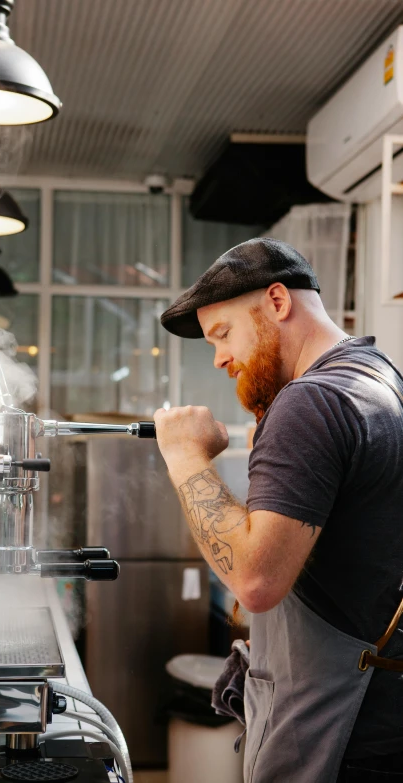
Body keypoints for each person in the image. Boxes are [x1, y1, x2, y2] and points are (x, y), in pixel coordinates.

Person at [154, 238, 403, 783]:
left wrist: (184, 455)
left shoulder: (310, 402)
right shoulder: (381, 379)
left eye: (223, 334)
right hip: (381, 728)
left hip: (335, 745)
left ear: (277, 301)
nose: (219, 357)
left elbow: (256, 579)